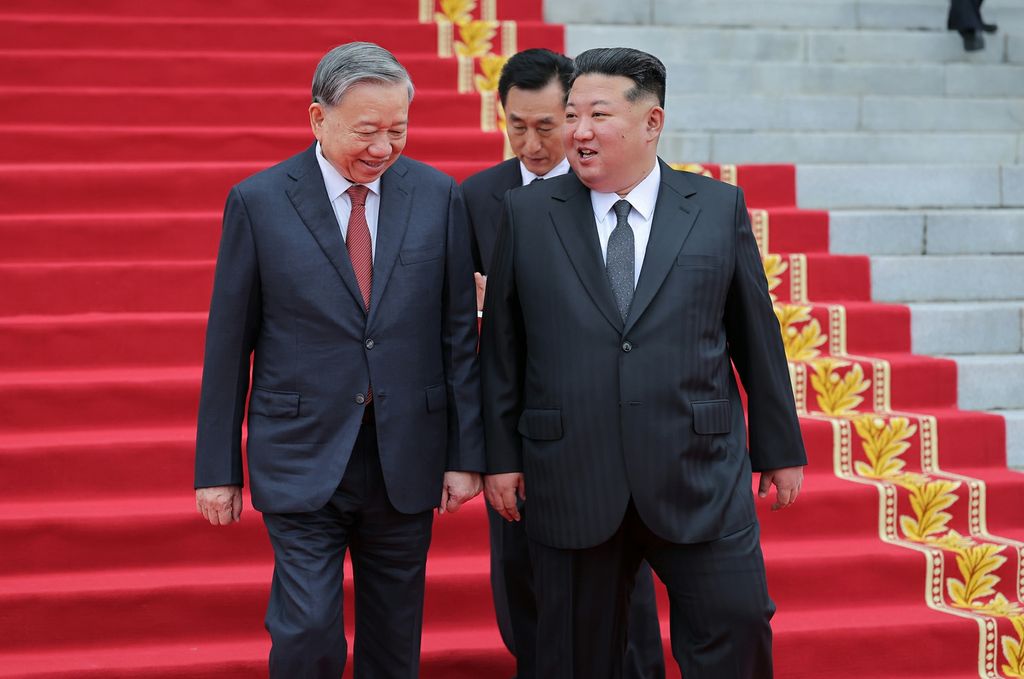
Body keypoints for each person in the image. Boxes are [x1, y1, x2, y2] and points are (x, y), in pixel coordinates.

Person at [479, 47, 807, 679]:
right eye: (571, 114)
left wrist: (779, 446)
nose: (577, 131)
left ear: (652, 122)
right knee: (575, 655)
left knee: (737, 628)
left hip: (697, 470)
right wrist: (498, 458)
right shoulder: (526, 215)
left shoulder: (716, 207)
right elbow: (504, 351)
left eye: (597, 115)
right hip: (570, 474)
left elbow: (755, 334)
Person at [193, 42, 484, 679]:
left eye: (398, 130)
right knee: (308, 632)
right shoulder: (260, 201)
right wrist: (217, 467)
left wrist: (466, 456)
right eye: (367, 131)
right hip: (300, 449)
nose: (383, 147)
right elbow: (228, 343)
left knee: (393, 636)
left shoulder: (438, 195)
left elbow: (458, 335)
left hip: (404, 453)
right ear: (317, 119)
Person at [462, 48, 665, 679]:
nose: (532, 143)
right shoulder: (477, 198)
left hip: (607, 432)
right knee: (521, 583)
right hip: (522, 427)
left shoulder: (612, 188)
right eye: (516, 126)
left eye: (546, 125)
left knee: (618, 594)